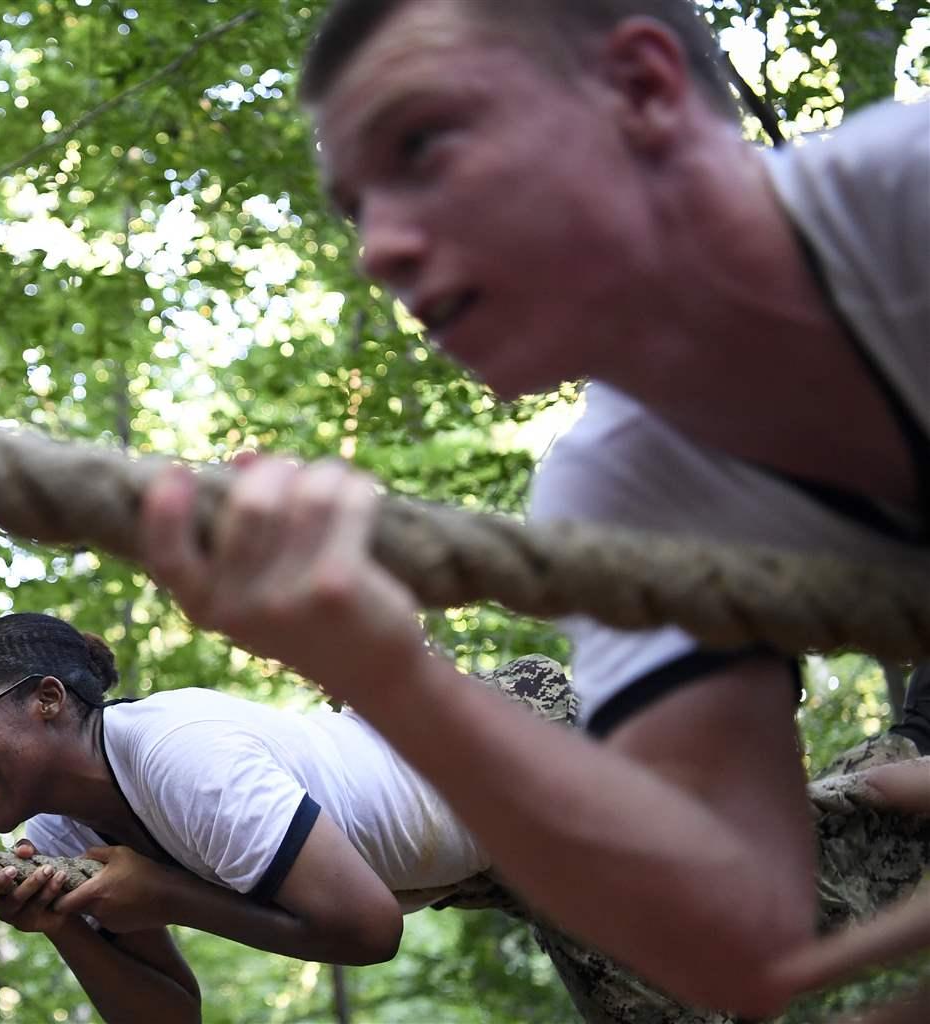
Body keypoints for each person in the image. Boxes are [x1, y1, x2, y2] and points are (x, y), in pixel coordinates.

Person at [134, 0, 930, 1017]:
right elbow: (737, 937)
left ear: (639, 90)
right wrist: (373, 669)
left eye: (420, 145)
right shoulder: (618, 496)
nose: (375, 249)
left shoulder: (907, 201)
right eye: (355, 208)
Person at [0, 611, 499, 1022]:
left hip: (513, 756)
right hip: (474, 865)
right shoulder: (61, 837)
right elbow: (170, 1016)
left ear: (48, 699)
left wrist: (167, 897)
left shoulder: (179, 754)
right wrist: (62, 924)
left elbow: (372, 933)